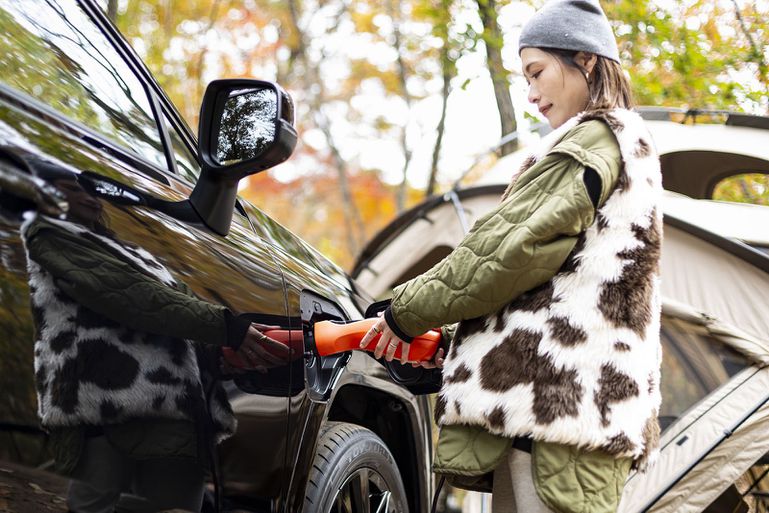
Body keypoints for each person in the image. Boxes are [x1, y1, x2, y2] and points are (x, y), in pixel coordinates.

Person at [360, 1, 663, 511]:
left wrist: (404, 313)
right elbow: (554, 288)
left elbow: (506, 252)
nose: (531, 94)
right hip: (567, 410)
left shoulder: (592, 141)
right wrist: (452, 344)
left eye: (538, 72)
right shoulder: (622, 146)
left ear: (585, 61)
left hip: (557, 408)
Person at [20, 164, 289, 513]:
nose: (84, 195)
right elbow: (133, 296)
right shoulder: (51, 236)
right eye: (69, 188)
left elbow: (175, 314)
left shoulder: (137, 255)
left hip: (174, 415)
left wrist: (223, 351)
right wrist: (229, 328)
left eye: (89, 190)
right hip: (101, 409)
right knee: (93, 505)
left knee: (176, 507)